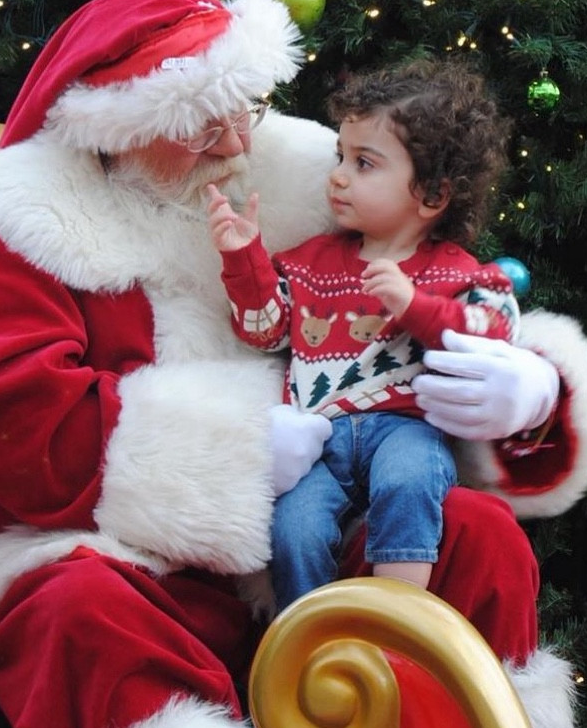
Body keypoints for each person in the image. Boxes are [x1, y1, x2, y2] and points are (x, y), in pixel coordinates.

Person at [0, 0, 587, 728]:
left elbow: (440, 268)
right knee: (79, 609)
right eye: (198, 127)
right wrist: (243, 447)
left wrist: (525, 391)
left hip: (293, 546)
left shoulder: (284, 171)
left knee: (474, 539)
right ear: (119, 128)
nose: (232, 142)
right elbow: (13, 432)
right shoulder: (28, 225)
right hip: (92, 546)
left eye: (240, 110)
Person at [207, 57, 520, 609]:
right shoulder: (308, 262)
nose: (339, 175)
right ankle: (304, 639)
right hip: (318, 440)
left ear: (431, 196)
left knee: (409, 481)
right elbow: (267, 331)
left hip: (403, 428)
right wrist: (243, 258)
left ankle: (397, 618)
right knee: (294, 529)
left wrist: (416, 307)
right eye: (341, 156)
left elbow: (493, 331)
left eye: (365, 163)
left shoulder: (455, 271)